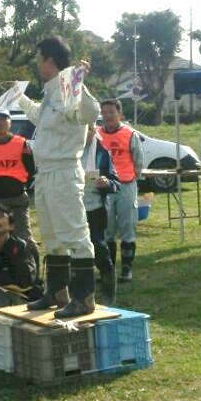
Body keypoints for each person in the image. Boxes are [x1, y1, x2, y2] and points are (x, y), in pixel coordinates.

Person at [18, 36, 100, 318]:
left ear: (51, 61)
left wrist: (79, 82)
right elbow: (39, 116)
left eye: (39, 59)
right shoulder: (52, 92)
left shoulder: (69, 88)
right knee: (52, 236)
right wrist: (18, 97)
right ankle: (56, 292)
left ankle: (83, 297)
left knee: (75, 235)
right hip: (45, 174)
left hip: (64, 172)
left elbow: (90, 113)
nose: (37, 64)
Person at [0, 108, 39, 273]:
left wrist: (18, 183)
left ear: (9, 122)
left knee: (24, 238)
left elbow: (31, 169)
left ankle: (34, 274)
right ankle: (1, 272)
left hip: (16, 197)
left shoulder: (21, 143)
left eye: (3, 119)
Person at [98, 99, 145, 282]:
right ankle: (108, 270)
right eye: (105, 112)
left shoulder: (129, 134)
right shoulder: (97, 135)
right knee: (106, 229)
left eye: (111, 112)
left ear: (120, 114)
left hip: (126, 185)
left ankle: (126, 268)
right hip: (105, 188)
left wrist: (131, 179)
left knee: (127, 226)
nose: (108, 116)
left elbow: (138, 161)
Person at [81, 124, 120, 305]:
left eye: (88, 130)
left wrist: (107, 182)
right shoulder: (67, 150)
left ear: (93, 132)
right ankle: (81, 293)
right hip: (74, 208)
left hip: (96, 207)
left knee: (98, 246)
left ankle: (108, 291)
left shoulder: (101, 152)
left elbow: (115, 182)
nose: (84, 134)